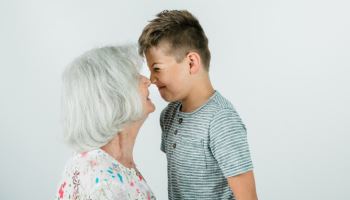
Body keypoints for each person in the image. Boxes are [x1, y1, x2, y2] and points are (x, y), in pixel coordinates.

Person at [138, 10, 258, 200]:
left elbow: (248, 197)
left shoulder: (221, 120)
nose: (152, 79)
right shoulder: (168, 115)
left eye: (157, 68)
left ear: (191, 63)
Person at [54, 45, 156, 200]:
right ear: (112, 97)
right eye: (134, 77)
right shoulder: (102, 183)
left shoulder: (105, 164)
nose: (147, 81)